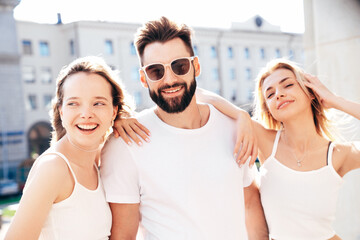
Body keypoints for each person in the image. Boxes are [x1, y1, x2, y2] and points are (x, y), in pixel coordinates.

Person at [100, 16, 268, 240]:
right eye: (156, 71)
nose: (169, 79)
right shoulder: (126, 143)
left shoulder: (234, 128)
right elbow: (124, 235)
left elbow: (250, 204)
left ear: (195, 66)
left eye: (179, 66)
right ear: (143, 78)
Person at [196, 58, 360, 240]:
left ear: (311, 93)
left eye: (288, 85)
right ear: (269, 110)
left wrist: (335, 100)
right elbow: (199, 94)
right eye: (270, 94)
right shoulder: (266, 142)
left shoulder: (339, 154)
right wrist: (240, 114)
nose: (279, 94)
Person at [5, 56, 132, 240]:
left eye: (98, 103)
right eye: (73, 103)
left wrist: (124, 121)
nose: (86, 114)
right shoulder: (54, 167)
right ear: (61, 111)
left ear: (114, 110)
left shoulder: (100, 160)